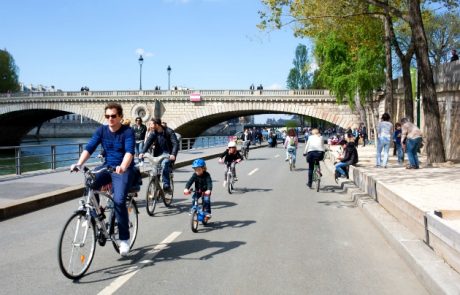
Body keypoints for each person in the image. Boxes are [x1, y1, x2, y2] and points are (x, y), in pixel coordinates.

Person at [70, 102, 135, 257]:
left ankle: (124, 239)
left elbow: (129, 152)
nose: (110, 119)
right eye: (107, 116)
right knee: (90, 181)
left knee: (119, 200)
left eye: (113, 116)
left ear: (120, 117)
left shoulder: (128, 132)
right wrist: (79, 164)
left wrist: (123, 166)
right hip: (107, 166)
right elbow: (90, 147)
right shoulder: (102, 130)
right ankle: (97, 211)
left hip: (122, 170)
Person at [139, 118, 179, 193]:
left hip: (168, 154)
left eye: (151, 124)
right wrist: (142, 152)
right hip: (157, 154)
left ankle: (166, 185)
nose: (150, 126)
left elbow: (175, 144)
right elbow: (148, 142)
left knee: (164, 164)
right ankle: (155, 187)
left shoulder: (169, 131)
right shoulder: (154, 133)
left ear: (157, 125)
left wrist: (173, 154)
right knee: (154, 170)